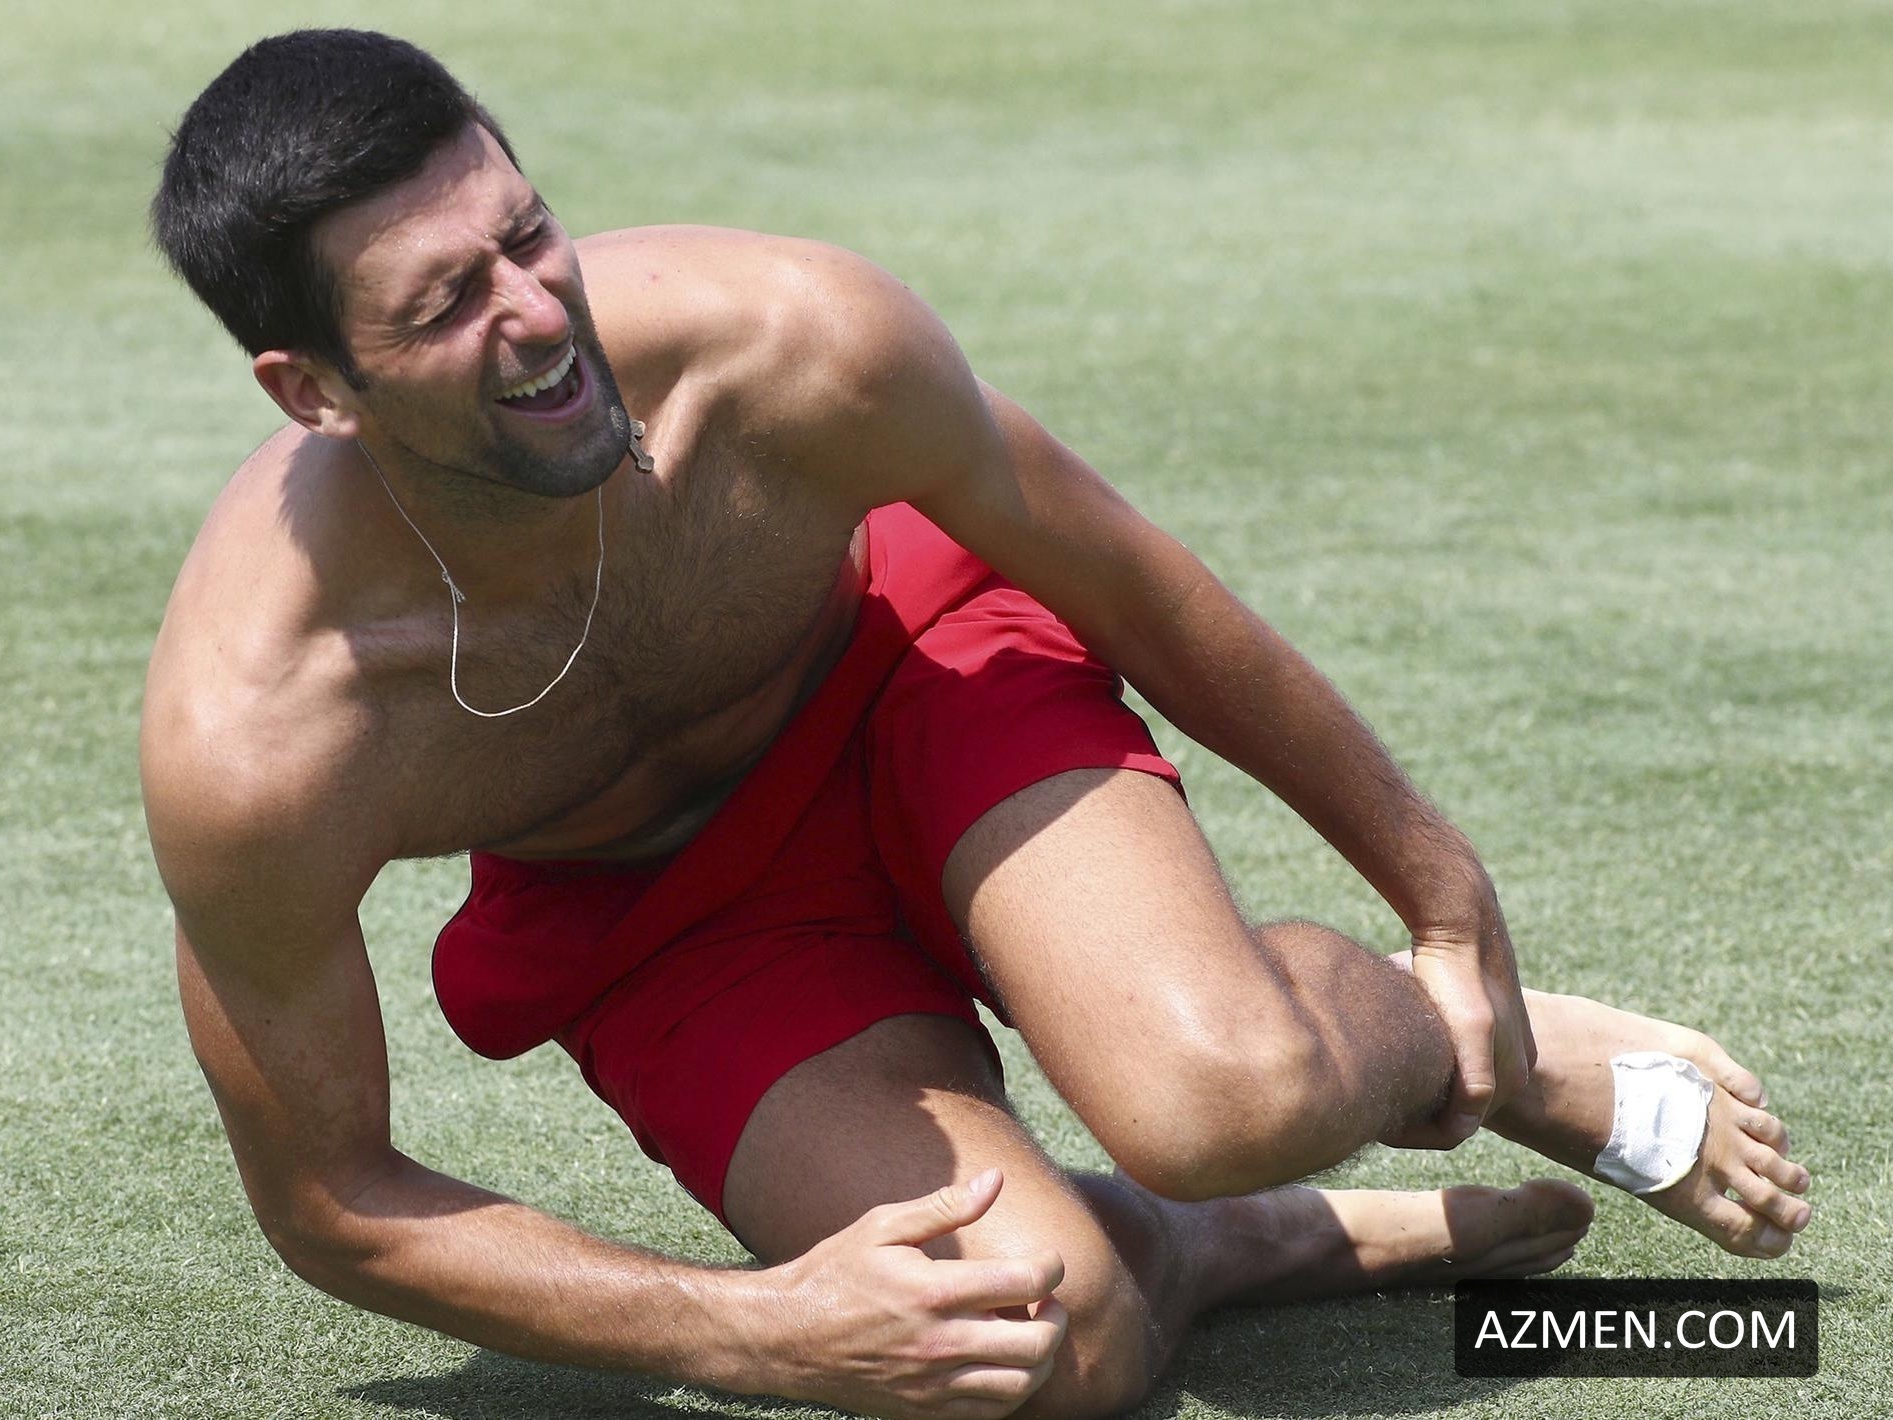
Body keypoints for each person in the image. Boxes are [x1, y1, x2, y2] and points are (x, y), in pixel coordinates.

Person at [141, 29, 1810, 1420]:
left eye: (528, 233)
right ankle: (1198, 1247)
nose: (535, 313)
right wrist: (747, 1329)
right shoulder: (261, 736)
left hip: (919, 683)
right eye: (444, 303)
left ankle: (1442, 1034)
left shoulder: (780, 341)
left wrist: (1448, 908)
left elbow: (1136, 587)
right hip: (667, 919)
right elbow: (331, 1199)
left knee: (1217, 1100)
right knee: (1037, 1351)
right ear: (315, 390)